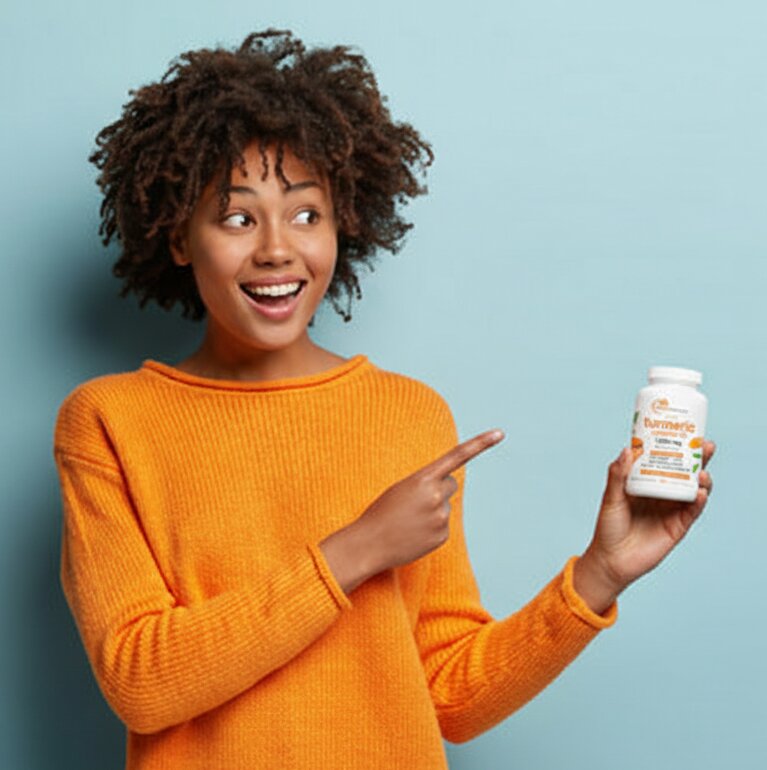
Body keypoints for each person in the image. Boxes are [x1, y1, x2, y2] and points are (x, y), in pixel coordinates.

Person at [53, 29, 715, 770]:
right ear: (179, 237)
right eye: (237, 217)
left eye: (307, 214)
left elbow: (450, 698)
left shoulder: (409, 415)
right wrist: (358, 549)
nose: (277, 247)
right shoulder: (110, 420)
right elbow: (141, 682)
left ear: (344, 224)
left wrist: (600, 572)